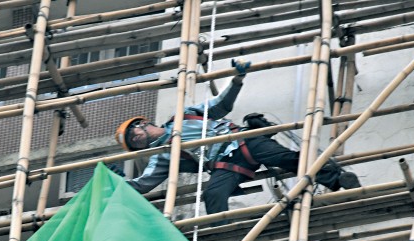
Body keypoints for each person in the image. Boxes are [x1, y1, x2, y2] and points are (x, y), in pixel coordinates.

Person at [114, 59, 361, 216]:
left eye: (132, 134)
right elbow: (143, 184)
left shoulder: (186, 116)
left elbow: (220, 105)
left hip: (243, 141)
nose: (134, 140)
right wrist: (115, 183)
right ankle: (223, 231)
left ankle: (338, 180)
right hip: (225, 164)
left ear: (142, 123)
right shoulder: (161, 156)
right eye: (131, 143)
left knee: (288, 158)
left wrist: (237, 79)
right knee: (213, 195)